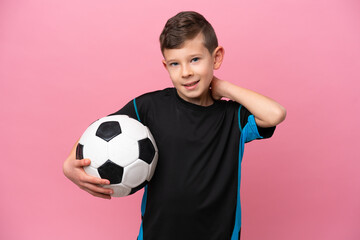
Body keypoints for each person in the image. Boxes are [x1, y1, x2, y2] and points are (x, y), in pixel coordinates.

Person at [63, 11, 286, 240]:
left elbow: (275, 114)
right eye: (174, 64)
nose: (186, 72)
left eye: (195, 59)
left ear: (216, 57)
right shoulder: (149, 107)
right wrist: (69, 165)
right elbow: (100, 130)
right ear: (165, 65)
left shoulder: (233, 117)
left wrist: (224, 87)